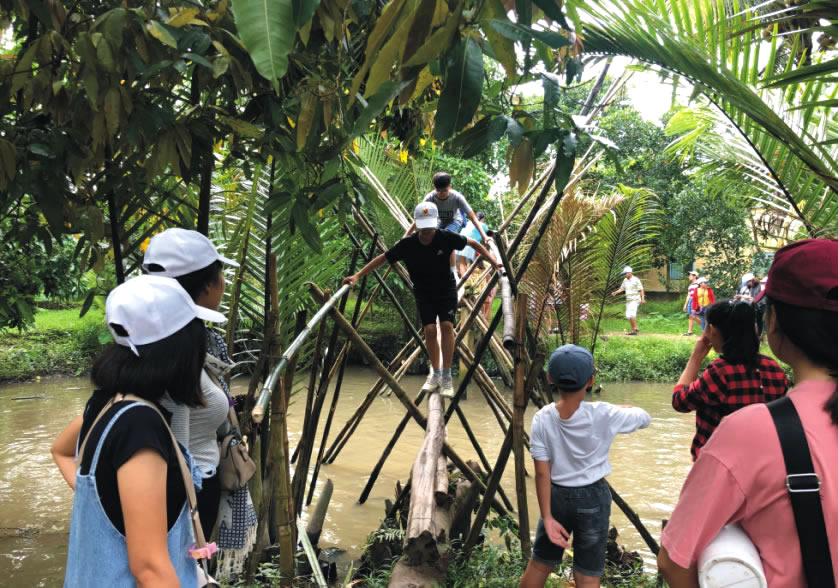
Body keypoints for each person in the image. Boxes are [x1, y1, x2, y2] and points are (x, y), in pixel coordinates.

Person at [658, 238, 838, 587]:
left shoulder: (744, 426)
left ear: (774, 321)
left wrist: (696, 355)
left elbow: (673, 561)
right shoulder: (772, 372)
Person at [51, 275, 226, 587]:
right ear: (179, 348)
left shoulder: (106, 402)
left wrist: (108, 504)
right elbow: (149, 568)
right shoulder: (140, 426)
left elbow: (61, 451)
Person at [143, 227, 257, 577]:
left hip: (190, 490)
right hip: (183, 497)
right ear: (207, 285)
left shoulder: (170, 338)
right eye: (220, 275)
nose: (223, 283)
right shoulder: (178, 350)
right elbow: (175, 437)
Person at [520, 345, 650, 588]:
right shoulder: (605, 413)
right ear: (590, 381)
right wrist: (621, 409)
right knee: (588, 574)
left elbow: (542, 473)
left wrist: (547, 517)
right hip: (594, 499)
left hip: (556, 498)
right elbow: (644, 418)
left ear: (550, 378)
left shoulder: (542, 418)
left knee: (540, 564)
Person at [343, 202, 500, 398]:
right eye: (423, 226)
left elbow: (474, 244)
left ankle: (446, 376)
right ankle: (435, 373)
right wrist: (358, 276)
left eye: (430, 226)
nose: (426, 231)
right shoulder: (407, 244)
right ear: (416, 224)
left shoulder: (445, 237)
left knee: (446, 326)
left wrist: (494, 262)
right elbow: (383, 258)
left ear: (436, 222)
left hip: (446, 289)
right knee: (430, 329)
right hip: (424, 292)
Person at [672, 299, 789, 461]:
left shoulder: (720, 372)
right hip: (761, 462)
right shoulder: (773, 368)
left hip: (718, 464)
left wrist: (696, 356)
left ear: (712, 330)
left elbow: (680, 402)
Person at [406, 172, 490, 279]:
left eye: (444, 191)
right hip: (439, 222)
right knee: (431, 238)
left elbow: (473, 217)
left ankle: (453, 271)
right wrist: (406, 236)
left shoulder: (457, 197)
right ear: (434, 188)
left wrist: (484, 236)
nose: (441, 194)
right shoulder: (430, 198)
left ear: (450, 187)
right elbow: (419, 218)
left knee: (448, 237)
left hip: (454, 221)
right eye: (438, 191)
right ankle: (434, 268)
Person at [611, 266, 645, 335]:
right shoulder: (625, 280)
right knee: (628, 315)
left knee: (631, 313)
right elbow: (622, 288)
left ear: (630, 273)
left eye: (625, 273)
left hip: (635, 299)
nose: (625, 275)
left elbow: (641, 289)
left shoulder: (636, 280)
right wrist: (615, 292)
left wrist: (643, 298)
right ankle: (634, 329)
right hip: (628, 300)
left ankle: (635, 329)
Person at [456, 211, 489, 276]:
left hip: (460, 241)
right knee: (473, 263)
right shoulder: (483, 225)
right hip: (470, 243)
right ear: (482, 218)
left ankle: (464, 280)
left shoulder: (469, 222)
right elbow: (488, 235)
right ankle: (469, 279)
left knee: (462, 263)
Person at [682, 270, 700, 336]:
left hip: (696, 300)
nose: (689, 276)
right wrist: (685, 305)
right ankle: (689, 332)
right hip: (690, 301)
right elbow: (688, 295)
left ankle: (706, 327)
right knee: (690, 316)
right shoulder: (690, 285)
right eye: (689, 275)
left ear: (695, 276)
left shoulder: (698, 284)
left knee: (693, 316)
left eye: (690, 275)